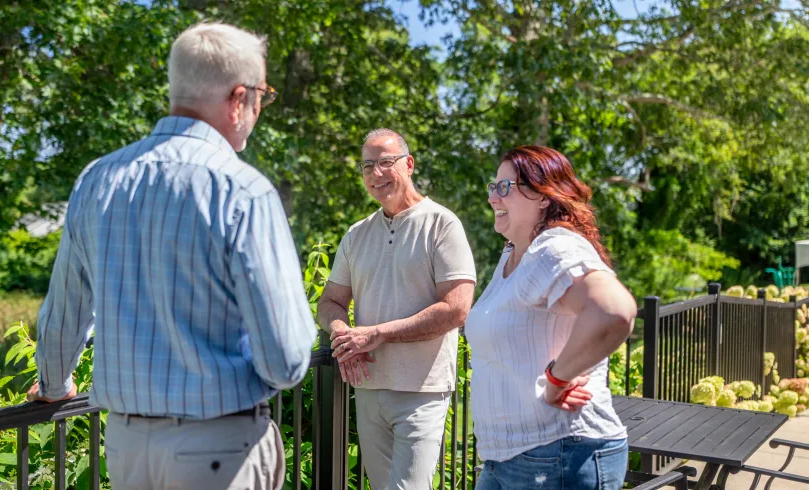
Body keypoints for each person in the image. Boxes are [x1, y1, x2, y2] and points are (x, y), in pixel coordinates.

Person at [26, 22, 318, 490]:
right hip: (220, 447)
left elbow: (65, 311)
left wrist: (55, 386)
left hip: (124, 445)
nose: (260, 109)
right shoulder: (242, 191)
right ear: (238, 98)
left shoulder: (99, 179)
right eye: (262, 95)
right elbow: (285, 361)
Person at [464, 145, 635, 490]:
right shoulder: (514, 254)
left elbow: (614, 312)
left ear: (543, 197)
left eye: (504, 188)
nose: (493, 198)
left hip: (558, 454)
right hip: (508, 458)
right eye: (492, 187)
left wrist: (557, 381)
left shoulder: (552, 246)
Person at [321, 129, 477, 490]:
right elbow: (330, 302)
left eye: (386, 162)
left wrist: (378, 333)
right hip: (368, 388)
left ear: (408, 164)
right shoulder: (356, 234)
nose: (376, 173)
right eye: (367, 166)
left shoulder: (442, 224)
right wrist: (342, 334)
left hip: (422, 392)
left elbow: (456, 309)